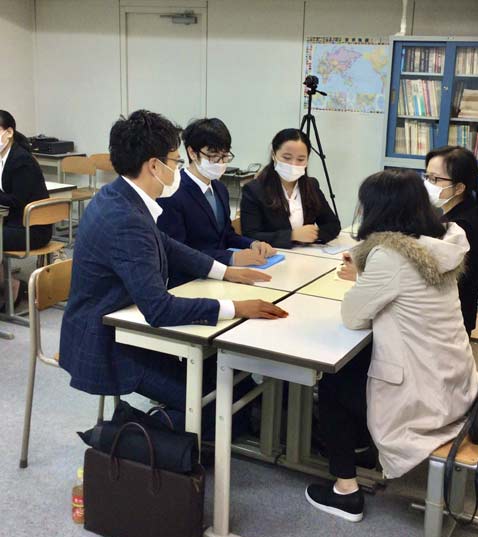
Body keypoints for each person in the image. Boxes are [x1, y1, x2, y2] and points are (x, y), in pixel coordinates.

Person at [59, 110, 288, 431]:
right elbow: (159, 309)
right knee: (216, 407)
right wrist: (236, 308)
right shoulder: (125, 218)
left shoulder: (119, 195)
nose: (178, 168)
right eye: (176, 161)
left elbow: (166, 244)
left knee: (227, 382)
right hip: (109, 342)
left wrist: (226, 271)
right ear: (154, 165)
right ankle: (126, 440)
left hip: (128, 323)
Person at [305, 169, 478, 522]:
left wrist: (364, 275)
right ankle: (362, 448)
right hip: (453, 378)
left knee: (334, 384)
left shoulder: (391, 257)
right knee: (358, 362)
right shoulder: (443, 240)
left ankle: (345, 491)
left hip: (425, 395)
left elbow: (353, 316)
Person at [157, 118, 275, 287]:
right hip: (189, 282)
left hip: (222, 276)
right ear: (192, 153)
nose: (220, 163)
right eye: (213, 155)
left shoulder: (219, 188)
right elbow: (178, 253)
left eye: (225, 156)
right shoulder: (172, 193)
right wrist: (231, 258)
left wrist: (252, 243)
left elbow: (226, 235)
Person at [424, 146, 478, 335]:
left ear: (460, 187)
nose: (428, 184)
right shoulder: (464, 209)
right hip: (452, 315)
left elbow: (431, 277)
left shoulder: (461, 225)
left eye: (435, 179)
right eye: (427, 176)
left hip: (449, 325)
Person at [240, 128, 341, 248]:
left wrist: (313, 235)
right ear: (274, 155)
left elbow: (333, 224)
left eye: (300, 159)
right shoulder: (254, 190)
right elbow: (250, 235)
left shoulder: (311, 185)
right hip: (274, 256)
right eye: (287, 158)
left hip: (308, 255)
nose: (293, 164)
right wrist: (292, 235)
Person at [0, 110, 49, 305]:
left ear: (9, 132)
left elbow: (17, 200)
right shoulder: (5, 158)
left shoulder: (21, 160)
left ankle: (12, 286)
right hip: (16, 223)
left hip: (32, 229)